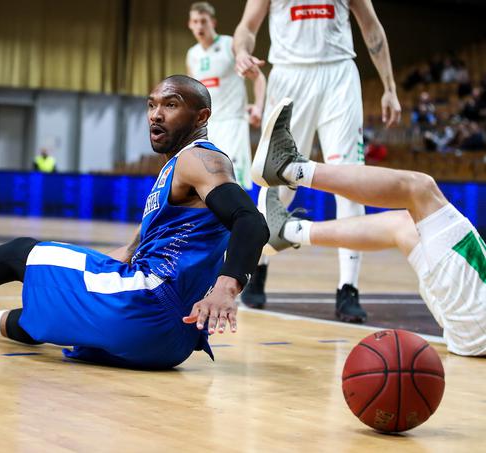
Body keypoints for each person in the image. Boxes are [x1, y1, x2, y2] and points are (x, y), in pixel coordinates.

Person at [0, 76, 270, 370]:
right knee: (57, 304)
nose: (155, 115)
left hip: (144, 306)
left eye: (170, 104)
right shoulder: (172, 175)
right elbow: (130, 252)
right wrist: (85, 268)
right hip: (169, 344)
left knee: (21, 253)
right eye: (150, 104)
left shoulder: (201, 158)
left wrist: (226, 286)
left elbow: (251, 220)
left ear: (201, 116)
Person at [252, 98, 485, 356]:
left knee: (420, 189)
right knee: (403, 226)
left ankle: (291, 168)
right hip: (473, 325)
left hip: (479, 318)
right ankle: (286, 232)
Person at [233, 0, 402, 322]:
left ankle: (348, 288)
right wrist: (241, 52)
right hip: (288, 76)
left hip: (339, 75)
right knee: (277, 183)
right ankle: (257, 268)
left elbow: (371, 26)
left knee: (351, 181)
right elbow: (246, 27)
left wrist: (389, 87)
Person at [186, 1, 266, 190]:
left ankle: (243, 219)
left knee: (234, 181)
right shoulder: (192, 54)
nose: (199, 26)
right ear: (190, 24)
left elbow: (259, 78)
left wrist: (258, 107)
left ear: (212, 22)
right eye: (195, 21)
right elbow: (192, 94)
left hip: (233, 123)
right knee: (208, 183)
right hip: (207, 127)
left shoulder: (230, 45)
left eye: (203, 21)